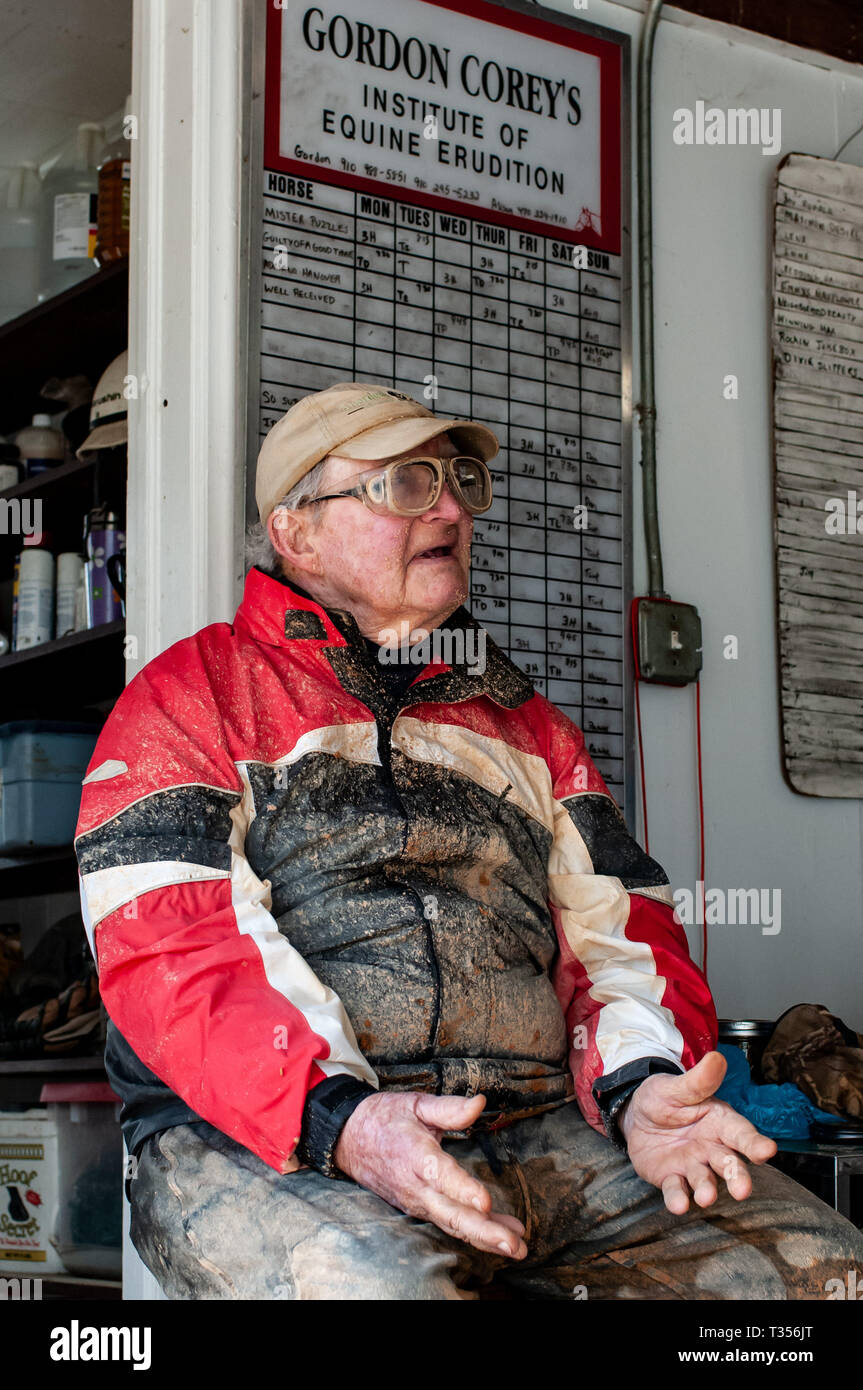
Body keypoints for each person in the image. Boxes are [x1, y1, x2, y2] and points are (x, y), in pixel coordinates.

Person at [75, 382, 863, 1300]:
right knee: (384, 1291)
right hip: (265, 1139)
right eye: (404, 484)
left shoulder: (530, 728)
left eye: (455, 480)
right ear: (297, 534)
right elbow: (170, 943)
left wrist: (639, 1084)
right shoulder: (192, 694)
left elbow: (623, 933)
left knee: (826, 1275)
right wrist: (343, 1121)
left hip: (537, 1127)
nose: (449, 506)